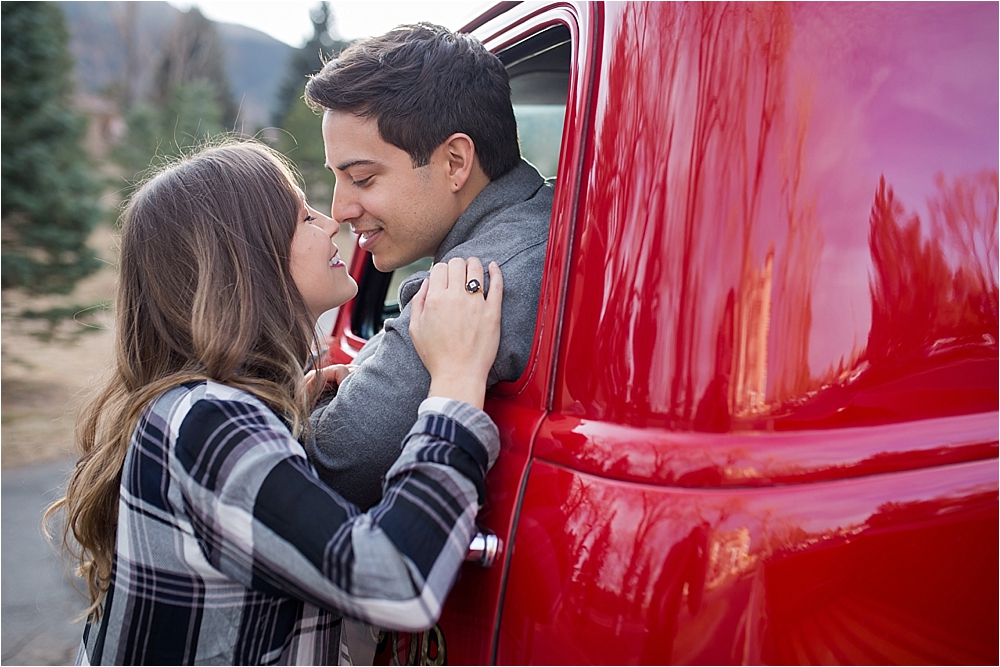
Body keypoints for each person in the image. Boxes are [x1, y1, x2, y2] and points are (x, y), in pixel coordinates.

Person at [46, 141, 504, 665]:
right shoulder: (209, 422)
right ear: (245, 261)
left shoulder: (193, 410)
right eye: (301, 217)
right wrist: (456, 381)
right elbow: (395, 582)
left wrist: (287, 415)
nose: (330, 223)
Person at [304, 23, 553, 509]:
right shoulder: (540, 223)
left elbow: (333, 466)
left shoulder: (473, 280)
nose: (339, 210)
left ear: (456, 162)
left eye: (362, 177)